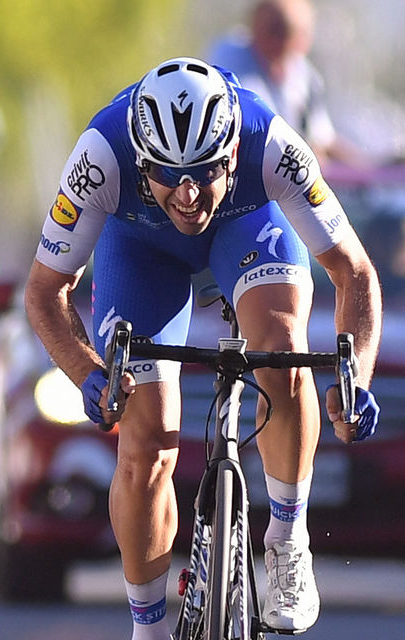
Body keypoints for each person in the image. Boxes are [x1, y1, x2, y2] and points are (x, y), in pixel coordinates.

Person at [24, 57, 382, 639]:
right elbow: (44, 292)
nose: (188, 193)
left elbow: (355, 273)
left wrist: (355, 378)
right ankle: (148, 627)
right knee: (147, 444)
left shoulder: (272, 143)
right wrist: (87, 372)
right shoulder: (99, 156)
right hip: (142, 250)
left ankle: (288, 541)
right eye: (167, 173)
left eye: (205, 171)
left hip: (247, 226)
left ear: (233, 153)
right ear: (141, 159)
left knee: (284, 348)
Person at [207, 0, 364, 166]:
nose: (278, 38)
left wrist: (368, 168)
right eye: (275, 29)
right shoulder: (230, 56)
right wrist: (306, 154)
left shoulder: (305, 74)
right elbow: (252, 127)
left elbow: (324, 139)